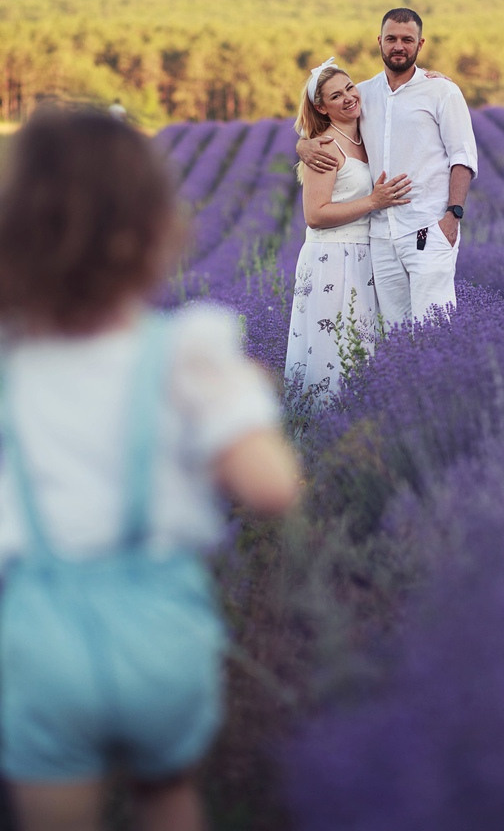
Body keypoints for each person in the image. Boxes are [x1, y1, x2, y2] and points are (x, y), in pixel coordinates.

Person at [0, 107, 300, 831]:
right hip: (159, 629)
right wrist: (245, 398)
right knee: (165, 796)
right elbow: (272, 488)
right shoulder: (186, 356)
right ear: (158, 231)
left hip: (37, 639)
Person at [297, 9, 478, 327]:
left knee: (434, 327)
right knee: (395, 333)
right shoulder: (363, 93)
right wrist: (303, 144)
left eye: (407, 39)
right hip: (380, 237)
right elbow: (327, 119)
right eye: (391, 38)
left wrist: (453, 217)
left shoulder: (442, 92)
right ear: (379, 41)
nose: (399, 46)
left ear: (420, 44)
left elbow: (462, 157)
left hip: (426, 228)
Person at [285, 61, 411, 406]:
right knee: (332, 350)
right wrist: (373, 201)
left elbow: (399, 83)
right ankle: (322, 428)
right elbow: (314, 215)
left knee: (363, 346)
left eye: (350, 88)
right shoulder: (325, 147)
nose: (348, 98)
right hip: (332, 259)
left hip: (367, 255)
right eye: (335, 96)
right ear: (321, 108)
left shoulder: (367, 135)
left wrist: (432, 77)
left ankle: (357, 426)